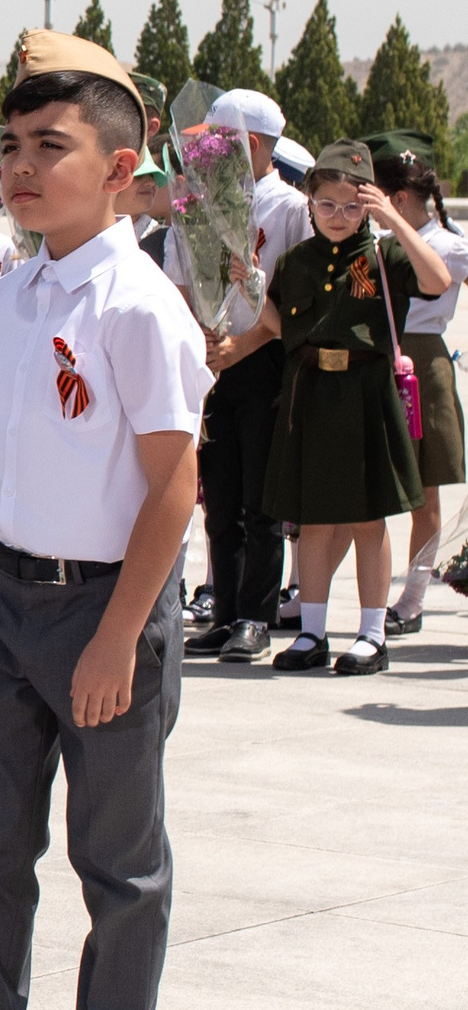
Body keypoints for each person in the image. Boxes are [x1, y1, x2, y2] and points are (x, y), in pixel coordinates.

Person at [0, 28, 213, 1010]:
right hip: (1, 598)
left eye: (51, 145)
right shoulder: (5, 296)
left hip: (102, 609)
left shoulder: (137, 306)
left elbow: (174, 485)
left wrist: (118, 636)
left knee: (118, 864)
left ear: (120, 167)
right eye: (11, 146)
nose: (21, 166)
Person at [213, 139, 453, 675]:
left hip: (366, 395)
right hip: (312, 395)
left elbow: (437, 280)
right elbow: (285, 329)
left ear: (368, 205)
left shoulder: (384, 255)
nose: (338, 216)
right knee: (315, 521)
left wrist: (392, 219)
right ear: (310, 203)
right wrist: (254, 291)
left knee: (368, 520)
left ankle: (371, 634)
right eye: (326, 204)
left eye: (351, 205)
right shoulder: (297, 262)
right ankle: (313, 632)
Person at [171, 91, 311, 665]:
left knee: (260, 500)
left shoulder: (290, 208)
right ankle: (225, 610)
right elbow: (180, 282)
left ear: (250, 145)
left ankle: (256, 615)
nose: (204, 157)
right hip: (211, 359)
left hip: (263, 358)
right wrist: (204, 340)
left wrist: (241, 345)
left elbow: (297, 305)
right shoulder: (199, 204)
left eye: (216, 146)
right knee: (220, 498)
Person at [368, 132, 468, 634]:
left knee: (423, 492)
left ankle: (411, 599)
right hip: (379, 359)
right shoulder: (379, 244)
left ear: (400, 199)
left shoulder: (448, 246)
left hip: (421, 366)